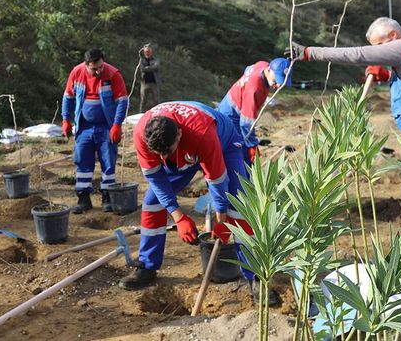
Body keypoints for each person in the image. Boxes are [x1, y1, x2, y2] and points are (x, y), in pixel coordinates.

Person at [287, 17, 401, 272]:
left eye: (380, 47)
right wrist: (391, 70)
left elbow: (359, 54)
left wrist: (308, 52)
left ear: (392, 37)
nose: (378, 54)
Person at [119, 101, 279, 305]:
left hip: (224, 143)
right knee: (152, 203)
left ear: (178, 134)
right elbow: (156, 179)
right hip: (185, 151)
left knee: (239, 205)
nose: (162, 158)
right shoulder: (142, 133)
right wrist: (178, 216)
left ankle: (256, 277)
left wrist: (222, 218)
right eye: (158, 154)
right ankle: (147, 266)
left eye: (166, 151)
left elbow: (217, 179)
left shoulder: (201, 132)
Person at [61, 48, 129, 213]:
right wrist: (65, 119)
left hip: (106, 127)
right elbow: (68, 97)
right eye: (94, 69)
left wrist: (117, 124)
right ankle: (83, 198)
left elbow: (122, 100)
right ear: (86, 65)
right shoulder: (77, 73)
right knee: (82, 160)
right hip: (84, 126)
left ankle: (107, 197)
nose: (98, 71)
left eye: (100, 67)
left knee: (108, 162)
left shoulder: (113, 74)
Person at [217, 58, 292, 165]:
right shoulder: (254, 89)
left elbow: (248, 68)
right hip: (231, 117)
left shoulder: (262, 65)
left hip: (230, 107)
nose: (279, 86)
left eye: (282, 82)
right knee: (243, 157)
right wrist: (252, 145)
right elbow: (246, 122)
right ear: (269, 70)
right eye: (276, 80)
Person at [138, 45, 161, 112]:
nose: (147, 53)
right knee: (143, 100)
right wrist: (151, 67)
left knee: (156, 100)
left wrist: (147, 68)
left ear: (151, 52)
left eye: (148, 51)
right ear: (144, 52)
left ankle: (158, 113)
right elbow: (142, 69)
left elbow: (156, 67)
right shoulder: (142, 60)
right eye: (146, 51)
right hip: (144, 83)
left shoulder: (156, 59)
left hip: (154, 82)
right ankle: (141, 114)